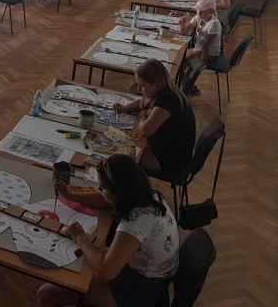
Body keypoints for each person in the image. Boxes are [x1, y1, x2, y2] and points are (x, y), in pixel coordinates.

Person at [35, 154, 179, 307]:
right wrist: (71, 195)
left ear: (117, 193)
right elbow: (104, 198)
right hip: (153, 272)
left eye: (102, 187)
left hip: (145, 287)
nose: (99, 190)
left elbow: (105, 272)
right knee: (93, 250)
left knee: (47, 294)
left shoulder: (135, 221)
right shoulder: (144, 195)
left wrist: (79, 236)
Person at [115, 59, 196, 175]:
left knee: (120, 157)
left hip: (173, 160)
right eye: (138, 84)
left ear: (157, 84)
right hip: (165, 145)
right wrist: (125, 108)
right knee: (124, 145)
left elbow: (145, 130)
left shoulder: (168, 100)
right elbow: (143, 102)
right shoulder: (163, 89)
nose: (139, 89)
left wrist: (142, 117)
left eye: (142, 86)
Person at [179, 0, 223, 95]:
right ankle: (186, 85)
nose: (198, 13)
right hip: (199, 49)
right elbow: (184, 32)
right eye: (198, 11)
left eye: (202, 11)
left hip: (209, 54)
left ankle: (186, 87)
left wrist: (199, 62)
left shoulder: (214, 24)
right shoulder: (199, 17)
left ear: (211, 11)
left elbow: (205, 47)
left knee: (183, 60)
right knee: (180, 58)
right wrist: (182, 22)